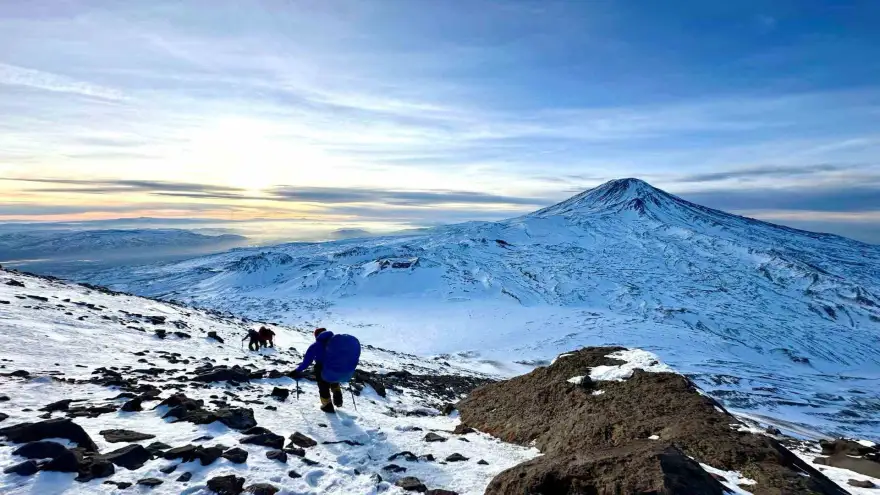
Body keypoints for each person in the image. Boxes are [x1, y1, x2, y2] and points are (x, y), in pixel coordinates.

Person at [292, 328, 345, 413]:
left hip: (322, 368)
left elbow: (307, 362)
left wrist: (298, 370)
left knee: (323, 386)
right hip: (335, 367)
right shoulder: (336, 343)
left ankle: (327, 406)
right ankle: (338, 401)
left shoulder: (316, 345)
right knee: (334, 382)